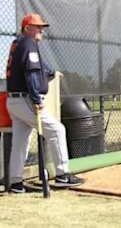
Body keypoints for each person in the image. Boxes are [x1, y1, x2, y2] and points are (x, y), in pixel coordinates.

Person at [6, 13, 84, 193]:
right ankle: (63, 175)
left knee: (20, 142)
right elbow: (32, 73)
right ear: (27, 28)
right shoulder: (28, 43)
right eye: (38, 26)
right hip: (26, 99)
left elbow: (40, 68)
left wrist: (52, 72)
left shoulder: (19, 43)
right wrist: (36, 99)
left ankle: (16, 183)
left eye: (42, 26)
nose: (42, 29)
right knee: (57, 130)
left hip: (14, 101)